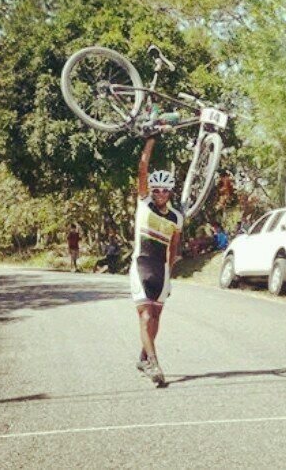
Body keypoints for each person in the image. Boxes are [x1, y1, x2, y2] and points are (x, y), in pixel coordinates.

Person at [130, 137, 183, 386]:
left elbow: (174, 245)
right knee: (146, 317)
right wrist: (151, 139)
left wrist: (170, 272)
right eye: (156, 190)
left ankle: (143, 356)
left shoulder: (176, 216)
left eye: (165, 190)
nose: (160, 194)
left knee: (157, 318)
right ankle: (154, 364)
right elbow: (142, 168)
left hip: (161, 270)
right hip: (141, 265)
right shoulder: (144, 204)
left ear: (170, 192)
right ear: (151, 190)